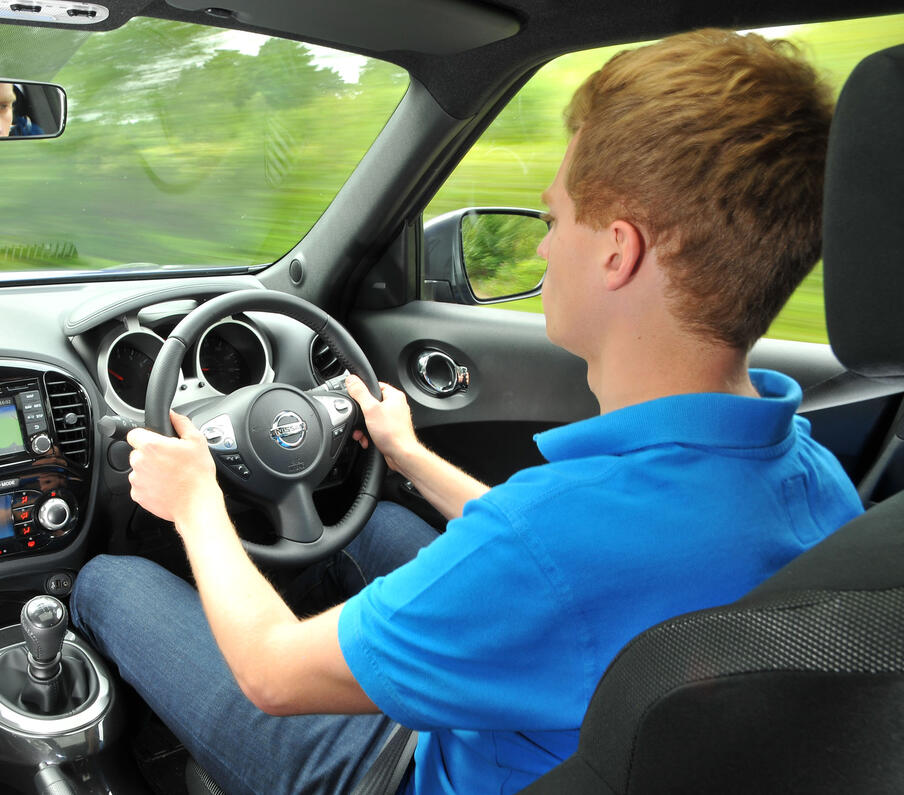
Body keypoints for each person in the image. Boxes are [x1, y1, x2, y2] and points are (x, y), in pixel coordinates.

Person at [71, 29, 862, 794]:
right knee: (374, 522)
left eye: (554, 221)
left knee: (111, 580)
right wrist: (408, 454)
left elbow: (273, 672)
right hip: (584, 728)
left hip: (408, 771)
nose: (545, 249)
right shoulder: (814, 476)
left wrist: (197, 501)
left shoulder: (556, 532)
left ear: (619, 251)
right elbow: (576, 563)